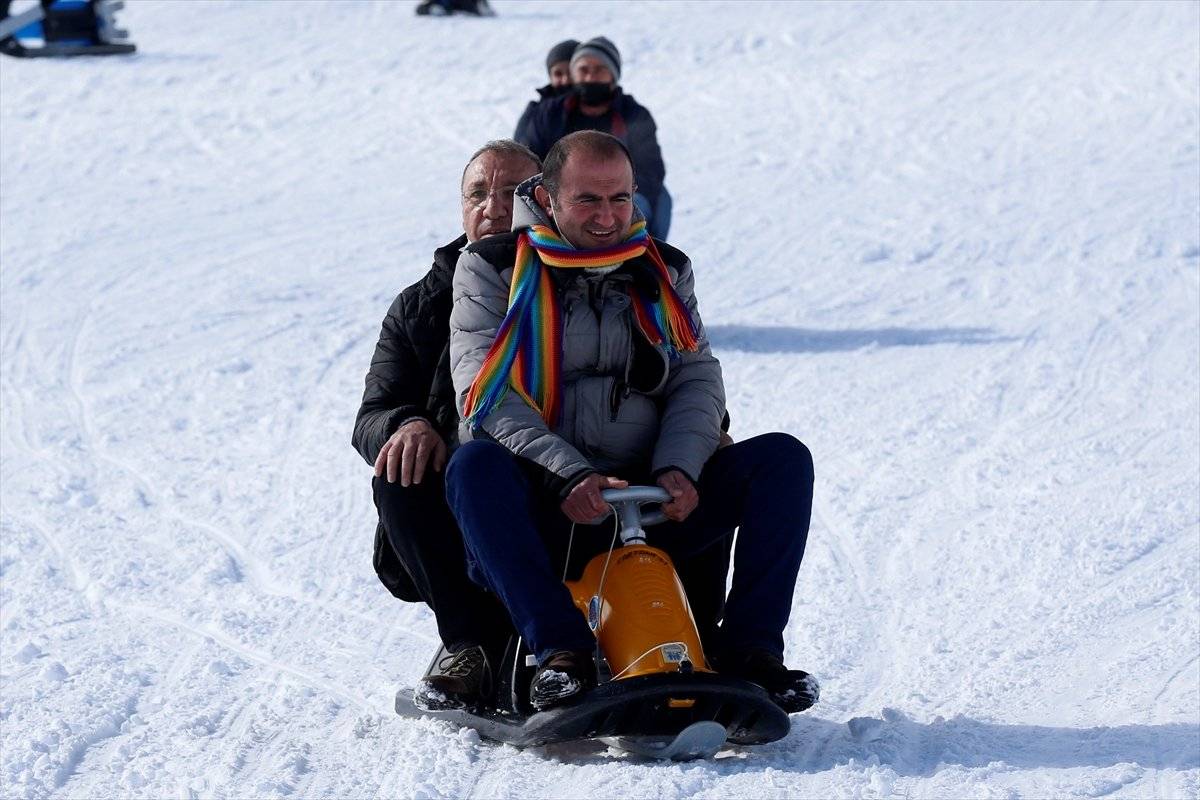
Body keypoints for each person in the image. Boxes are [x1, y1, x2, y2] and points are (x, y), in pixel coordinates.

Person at [445, 131, 817, 713]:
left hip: (649, 500)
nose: (607, 217)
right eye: (588, 200)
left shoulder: (662, 270)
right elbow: (484, 392)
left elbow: (696, 377)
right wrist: (566, 475)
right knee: (473, 465)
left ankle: (751, 653)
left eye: (620, 199)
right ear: (546, 198)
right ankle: (559, 653)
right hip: (553, 507)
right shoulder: (490, 268)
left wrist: (680, 469)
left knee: (782, 459)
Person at [352, 140, 541, 710]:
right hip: (461, 492)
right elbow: (372, 413)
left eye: (512, 193)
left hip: (561, 481)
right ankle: (468, 644)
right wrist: (405, 423)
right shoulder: (419, 306)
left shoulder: (582, 280)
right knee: (400, 472)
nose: (494, 206)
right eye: (478, 193)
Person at [515, 37, 673, 241]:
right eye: (583, 70)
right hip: (562, 196)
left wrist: (621, 196)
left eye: (599, 70)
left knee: (658, 199)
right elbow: (530, 160)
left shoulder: (633, 114)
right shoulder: (551, 113)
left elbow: (649, 169)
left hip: (617, 194)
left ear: (613, 76)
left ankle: (651, 257)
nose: (590, 77)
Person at [514, 39, 578, 145]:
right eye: (558, 74)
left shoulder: (599, 108)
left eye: (571, 72)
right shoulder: (536, 112)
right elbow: (519, 152)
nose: (565, 80)